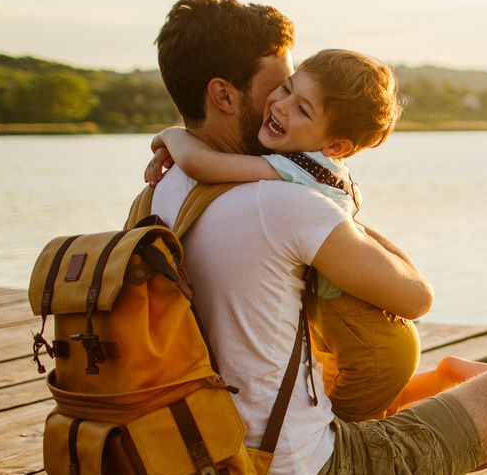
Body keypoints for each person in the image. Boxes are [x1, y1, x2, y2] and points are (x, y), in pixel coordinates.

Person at [143, 0, 487, 475]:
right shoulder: (282, 203)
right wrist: (339, 209)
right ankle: (415, 444)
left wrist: (175, 138)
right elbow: (415, 296)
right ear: (223, 95)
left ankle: (430, 399)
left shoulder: (158, 193)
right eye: (279, 85)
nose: (280, 100)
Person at [145, 48, 429, 423]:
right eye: (286, 88)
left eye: (303, 110)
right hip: (357, 333)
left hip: (368, 346)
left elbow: (202, 164)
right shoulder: (325, 167)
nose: (280, 106)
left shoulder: (291, 169)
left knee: (342, 428)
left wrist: (171, 134)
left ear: (336, 145)